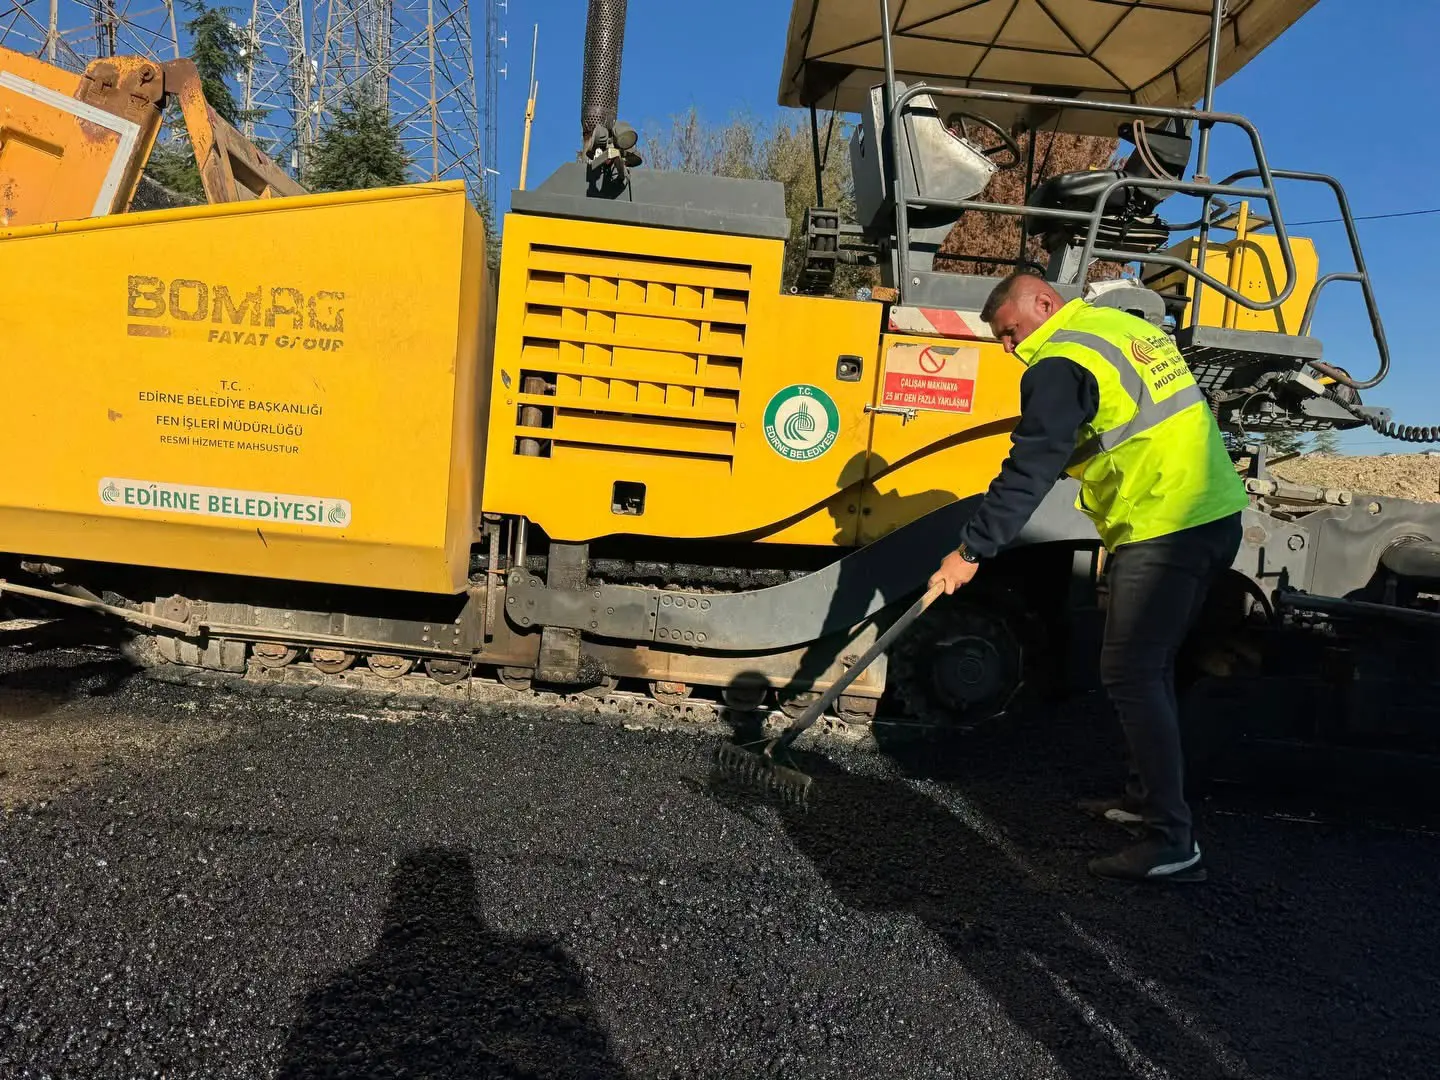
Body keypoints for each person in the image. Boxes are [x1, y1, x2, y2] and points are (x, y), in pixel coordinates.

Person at [928, 271, 1247, 884]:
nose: (1009, 347)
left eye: (1010, 331)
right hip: (1204, 513)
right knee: (1147, 669)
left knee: (1130, 671)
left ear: (1044, 303)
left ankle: (1171, 841)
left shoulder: (1060, 358)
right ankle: (1141, 800)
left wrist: (970, 551)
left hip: (1166, 521)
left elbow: (1030, 469)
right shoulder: (1120, 329)